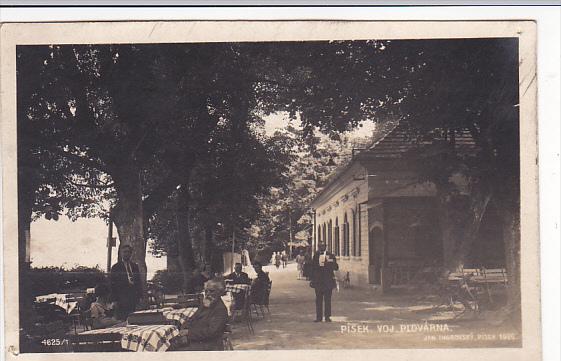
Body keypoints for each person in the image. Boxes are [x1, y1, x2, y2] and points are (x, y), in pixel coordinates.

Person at [173, 279, 229, 351]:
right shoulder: (205, 305)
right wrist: (184, 329)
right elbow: (191, 319)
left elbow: (212, 332)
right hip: (195, 340)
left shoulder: (220, 309)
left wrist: (188, 333)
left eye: (211, 291)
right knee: (168, 346)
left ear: (220, 292)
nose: (208, 294)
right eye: (206, 291)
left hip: (209, 345)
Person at [110, 244, 143, 320]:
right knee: (123, 319)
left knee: (133, 318)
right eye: (124, 252)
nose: (126, 254)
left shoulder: (135, 266)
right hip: (121, 298)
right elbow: (112, 284)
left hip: (133, 297)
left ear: (131, 254)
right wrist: (114, 300)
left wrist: (140, 296)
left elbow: (139, 282)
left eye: (128, 252)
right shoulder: (116, 267)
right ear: (121, 253)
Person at [310, 242, 338, 322]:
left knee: (328, 300)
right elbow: (313, 268)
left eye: (323, 246)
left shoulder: (330, 255)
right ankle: (319, 317)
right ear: (318, 247)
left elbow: (336, 267)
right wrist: (312, 279)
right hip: (318, 282)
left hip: (328, 281)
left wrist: (330, 262)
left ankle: (327, 317)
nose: (321, 248)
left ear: (326, 247)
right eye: (320, 246)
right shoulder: (315, 256)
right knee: (318, 300)